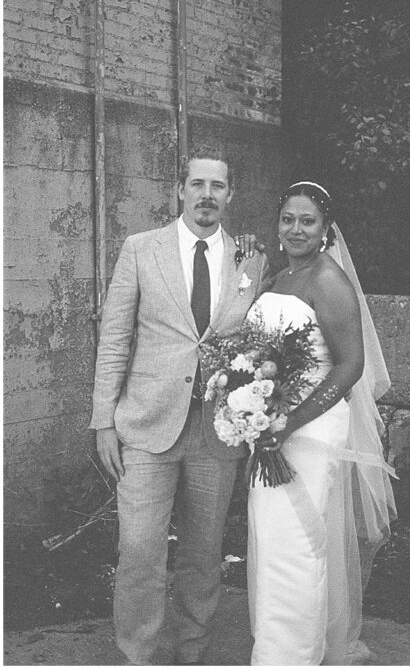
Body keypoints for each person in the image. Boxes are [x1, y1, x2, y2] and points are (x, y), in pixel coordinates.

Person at [90, 149, 268, 664]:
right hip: (146, 427)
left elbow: (256, 342)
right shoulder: (140, 249)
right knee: (140, 552)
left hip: (217, 432)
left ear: (230, 195)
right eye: (197, 184)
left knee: (203, 554)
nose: (206, 195)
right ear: (180, 190)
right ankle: (140, 653)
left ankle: (194, 650)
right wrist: (104, 420)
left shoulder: (250, 260)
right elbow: (115, 337)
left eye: (217, 186)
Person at [244, 181, 395, 665]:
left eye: (307, 220)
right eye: (288, 219)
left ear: (326, 229)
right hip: (270, 428)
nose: (295, 229)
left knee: (298, 552)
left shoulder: (328, 279)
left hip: (309, 430)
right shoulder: (281, 278)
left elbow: (350, 365)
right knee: (271, 547)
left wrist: (288, 421)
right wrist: (253, 409)